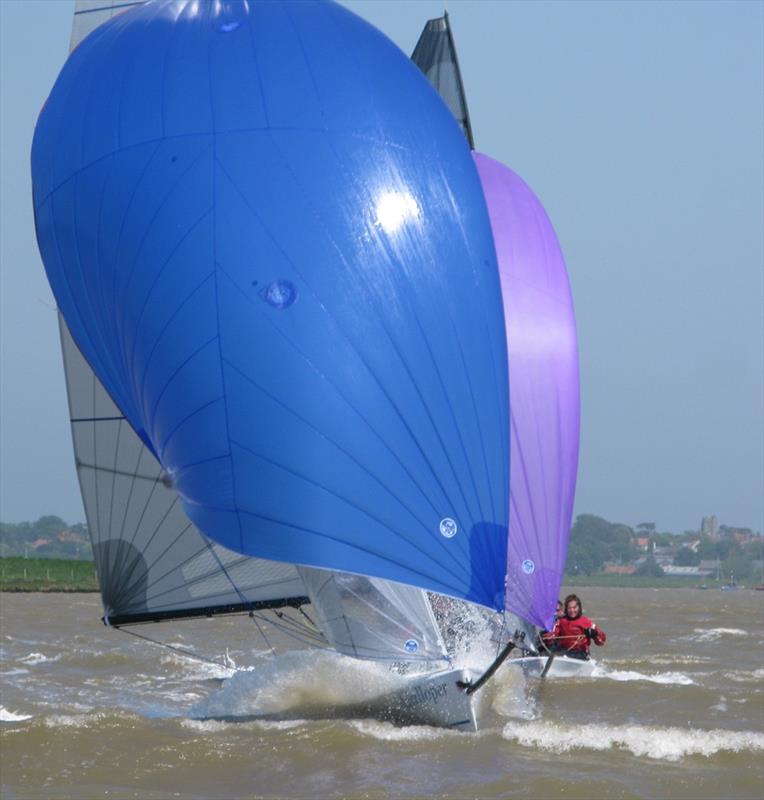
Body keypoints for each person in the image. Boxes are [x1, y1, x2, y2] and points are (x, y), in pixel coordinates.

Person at [542, 593, 606, 660]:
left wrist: (594, 634)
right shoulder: (561, 621)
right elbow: (553, 635)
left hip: (581, 653)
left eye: (574, 607)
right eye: (569, 608)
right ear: (566, 609)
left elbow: (601, 642)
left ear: (579, 607)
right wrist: (547, 639)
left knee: (564, 655)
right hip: (564, 651)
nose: (572, 610)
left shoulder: (586, 622)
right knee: (546, 651)